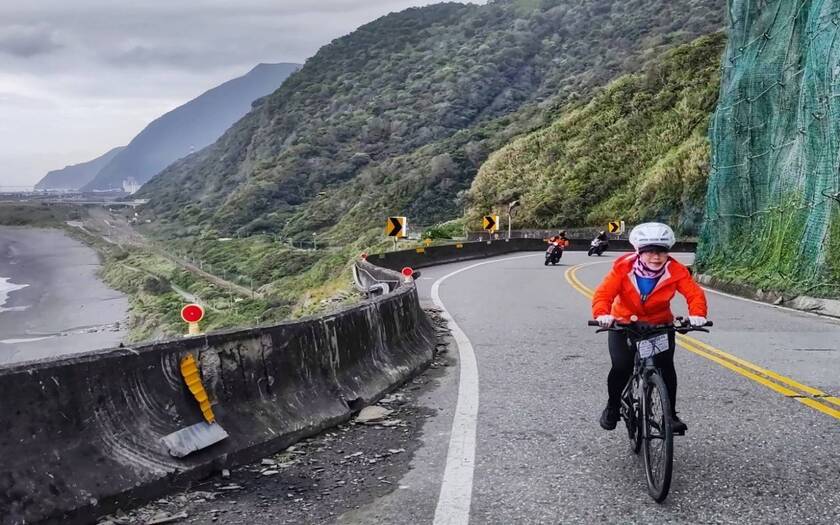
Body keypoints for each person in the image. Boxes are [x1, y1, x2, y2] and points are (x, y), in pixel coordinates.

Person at [591, 222, 707, 434]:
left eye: (661, 252)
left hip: (658, 325)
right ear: (638, 252)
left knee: (665, 367)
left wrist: (697, 314)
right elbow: (604, 294)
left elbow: (694, 294)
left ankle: (670, 416)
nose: (656, 257)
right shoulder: (622, 268)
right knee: (621, 367)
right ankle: (613, 407)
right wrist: (602, 315)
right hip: (623, 324)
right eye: (650, 252)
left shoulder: (676, 270)